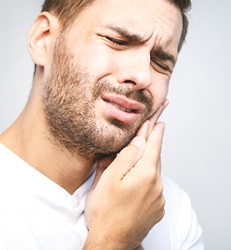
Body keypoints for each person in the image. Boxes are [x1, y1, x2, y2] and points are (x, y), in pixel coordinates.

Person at [0, 0, 204, 249]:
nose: (142, 76)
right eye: (117, 41)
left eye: (161, 62)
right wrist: (114, 239)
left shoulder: (168, 209)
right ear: (43, 39)